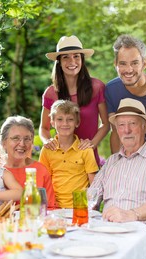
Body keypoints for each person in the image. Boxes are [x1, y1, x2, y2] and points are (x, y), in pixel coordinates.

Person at [88, 98, 146, 259]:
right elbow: (91, 197)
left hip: (144, 235)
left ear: (144, 127)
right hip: (107, 231)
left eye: (133, 124)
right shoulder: (111, 162)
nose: (127, 130)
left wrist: (131, 215)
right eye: (121, 125)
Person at [40, 35, 110, 166]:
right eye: (66, 57)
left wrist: (92, 144)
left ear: (82, 60)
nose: (72, 61)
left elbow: (106, 124)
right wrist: (47, 141)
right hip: (61, 160)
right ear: (59, 61)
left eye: (76, 56)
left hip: (88, 157)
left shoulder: (97, 87)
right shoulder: (51, 93)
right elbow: (44, 128)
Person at [39, 100, 99, 208]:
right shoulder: (47, 150)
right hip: (54, 207)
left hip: (80, 207)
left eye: (70, 119)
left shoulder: (85, 149)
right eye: (60, 119)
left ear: (77, 122)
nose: (65, 124)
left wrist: (92, 208)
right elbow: (43, 181)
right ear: (52, 122)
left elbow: (94, 184)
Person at [0, 116, 57, 209]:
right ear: (4, 142)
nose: (22, 144)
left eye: (27, 139)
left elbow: (50, 208)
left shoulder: (40, 170)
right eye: (15, 138)